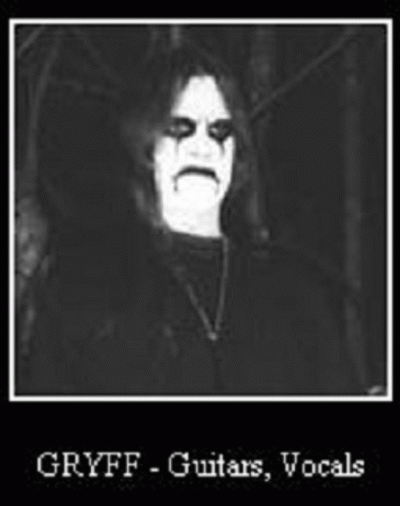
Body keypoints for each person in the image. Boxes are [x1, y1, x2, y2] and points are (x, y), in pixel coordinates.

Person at [18, 44, 363, 395]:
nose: (203, 146)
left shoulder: (295, 299)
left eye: (220, 130)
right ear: (147, 144)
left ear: (236, 152)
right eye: (180, 127)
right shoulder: (86, 290)